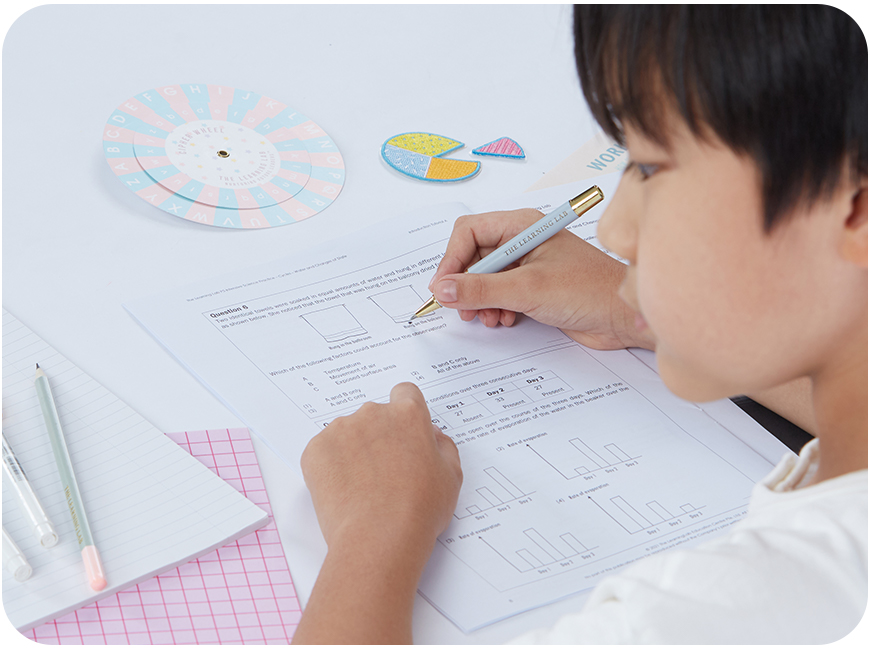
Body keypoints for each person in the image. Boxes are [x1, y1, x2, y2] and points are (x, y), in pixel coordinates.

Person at [292, 5, 867, 644]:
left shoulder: (737, 602)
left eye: (654, 169)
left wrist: (373, 531)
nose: (613, 228)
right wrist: (641, 313)